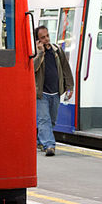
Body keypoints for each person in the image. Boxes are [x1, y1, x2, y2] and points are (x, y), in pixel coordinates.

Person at [34, 26, 74, 156]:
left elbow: (65, 68)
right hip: (41, 93)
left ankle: (40, 140)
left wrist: (70, 86)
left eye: (47, 36)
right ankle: (49, 145)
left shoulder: (57, 50)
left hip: (55, 92)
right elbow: (32, 68)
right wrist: (40, 53)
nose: (46, 39)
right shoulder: (34, 52)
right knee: (43, 119)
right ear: (37, 40)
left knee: (51, 120)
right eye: (42, 38)